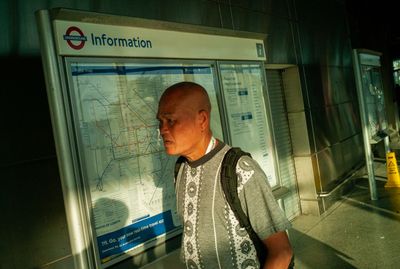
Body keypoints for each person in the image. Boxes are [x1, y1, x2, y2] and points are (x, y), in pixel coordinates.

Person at [157, 81, 293, 269]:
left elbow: (282, 252)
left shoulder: (240, 170)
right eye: (160, 122)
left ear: (202, 120)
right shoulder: (181, 168)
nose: (162, 130)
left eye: (170, 120)